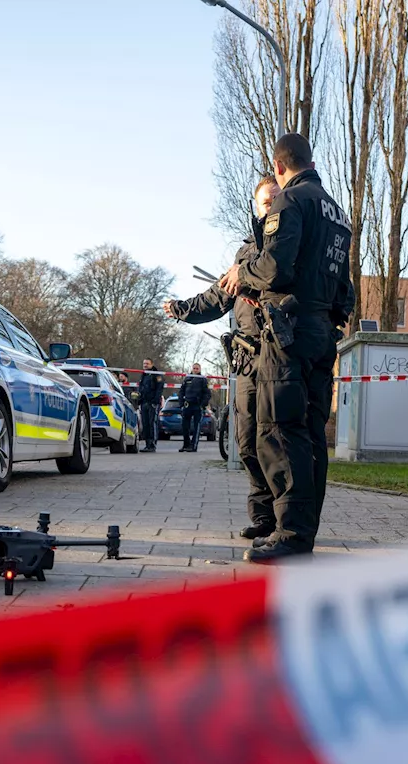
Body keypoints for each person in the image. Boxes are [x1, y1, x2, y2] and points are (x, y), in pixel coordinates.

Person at [219, 133, 354, 564]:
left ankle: (292, 533)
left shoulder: (291, 202)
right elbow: (343, 287)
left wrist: (243, 273)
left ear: (279, 167)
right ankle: (303, 527)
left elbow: (275, 267)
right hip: (321, 333)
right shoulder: (338, 213)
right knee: (312, 432)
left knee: (279, 429)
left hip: (288, 332)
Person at [164, 176, 281, 535]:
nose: (272, 207)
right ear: (256, 207)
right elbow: (218, 297)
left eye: (277, 200)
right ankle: (262, 516)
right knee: (246, 442)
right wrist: (183, 309)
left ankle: (285, 519)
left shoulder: (290, 243)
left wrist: (254, 286)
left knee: (275, 441)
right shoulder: (245, 252)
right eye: (266, 202)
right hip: (247, 359)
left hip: (280, 357)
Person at [177, 363, 210, 452]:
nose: (195, 370)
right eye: (194, 368)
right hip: (187, 405)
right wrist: (181, 404)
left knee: (197, 427)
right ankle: (186, 444)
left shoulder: (202, 379)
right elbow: (181, 392)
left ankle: (193, 446)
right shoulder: (187, 378)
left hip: (197, 405)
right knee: (185, 426)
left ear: (200, 369)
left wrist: (202, 405)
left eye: (197, 368)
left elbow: (207, 393)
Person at [137, 358, 163, 452]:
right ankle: (147, 444)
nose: (145, 365)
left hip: (152, 403)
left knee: (152, 423)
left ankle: (152, 444)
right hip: (144, 402)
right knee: (145, 424)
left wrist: (155, 401)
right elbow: (141, 388)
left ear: (152, 364)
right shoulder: (143, 375)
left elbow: (159, 389)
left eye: (147, 363)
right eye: (144, 363)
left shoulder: (156, 375)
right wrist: (139, 400)